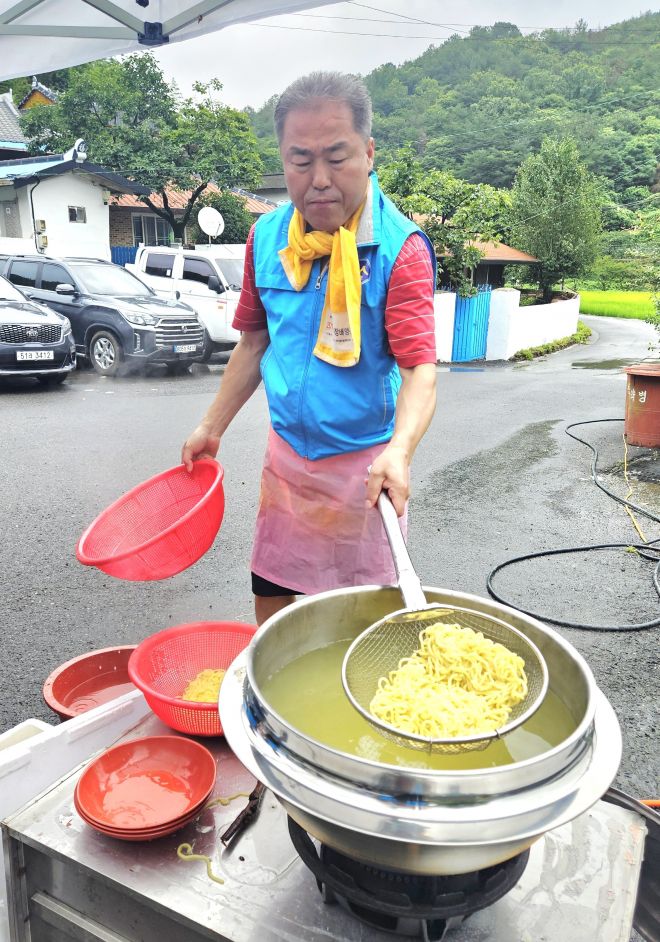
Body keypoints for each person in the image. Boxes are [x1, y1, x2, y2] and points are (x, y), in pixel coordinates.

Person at [182, 72, 437, 625]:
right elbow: (253, 341)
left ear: (368, 153)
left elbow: (420, 369)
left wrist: (400, 452)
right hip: (289, 466)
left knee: (364, 622)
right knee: (273, 603)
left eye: (337, 157)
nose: (319, 180)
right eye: (300, 161)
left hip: (364, 471)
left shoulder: (401, 250)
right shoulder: (266, 239)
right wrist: (212, 425)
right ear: (283, 159)